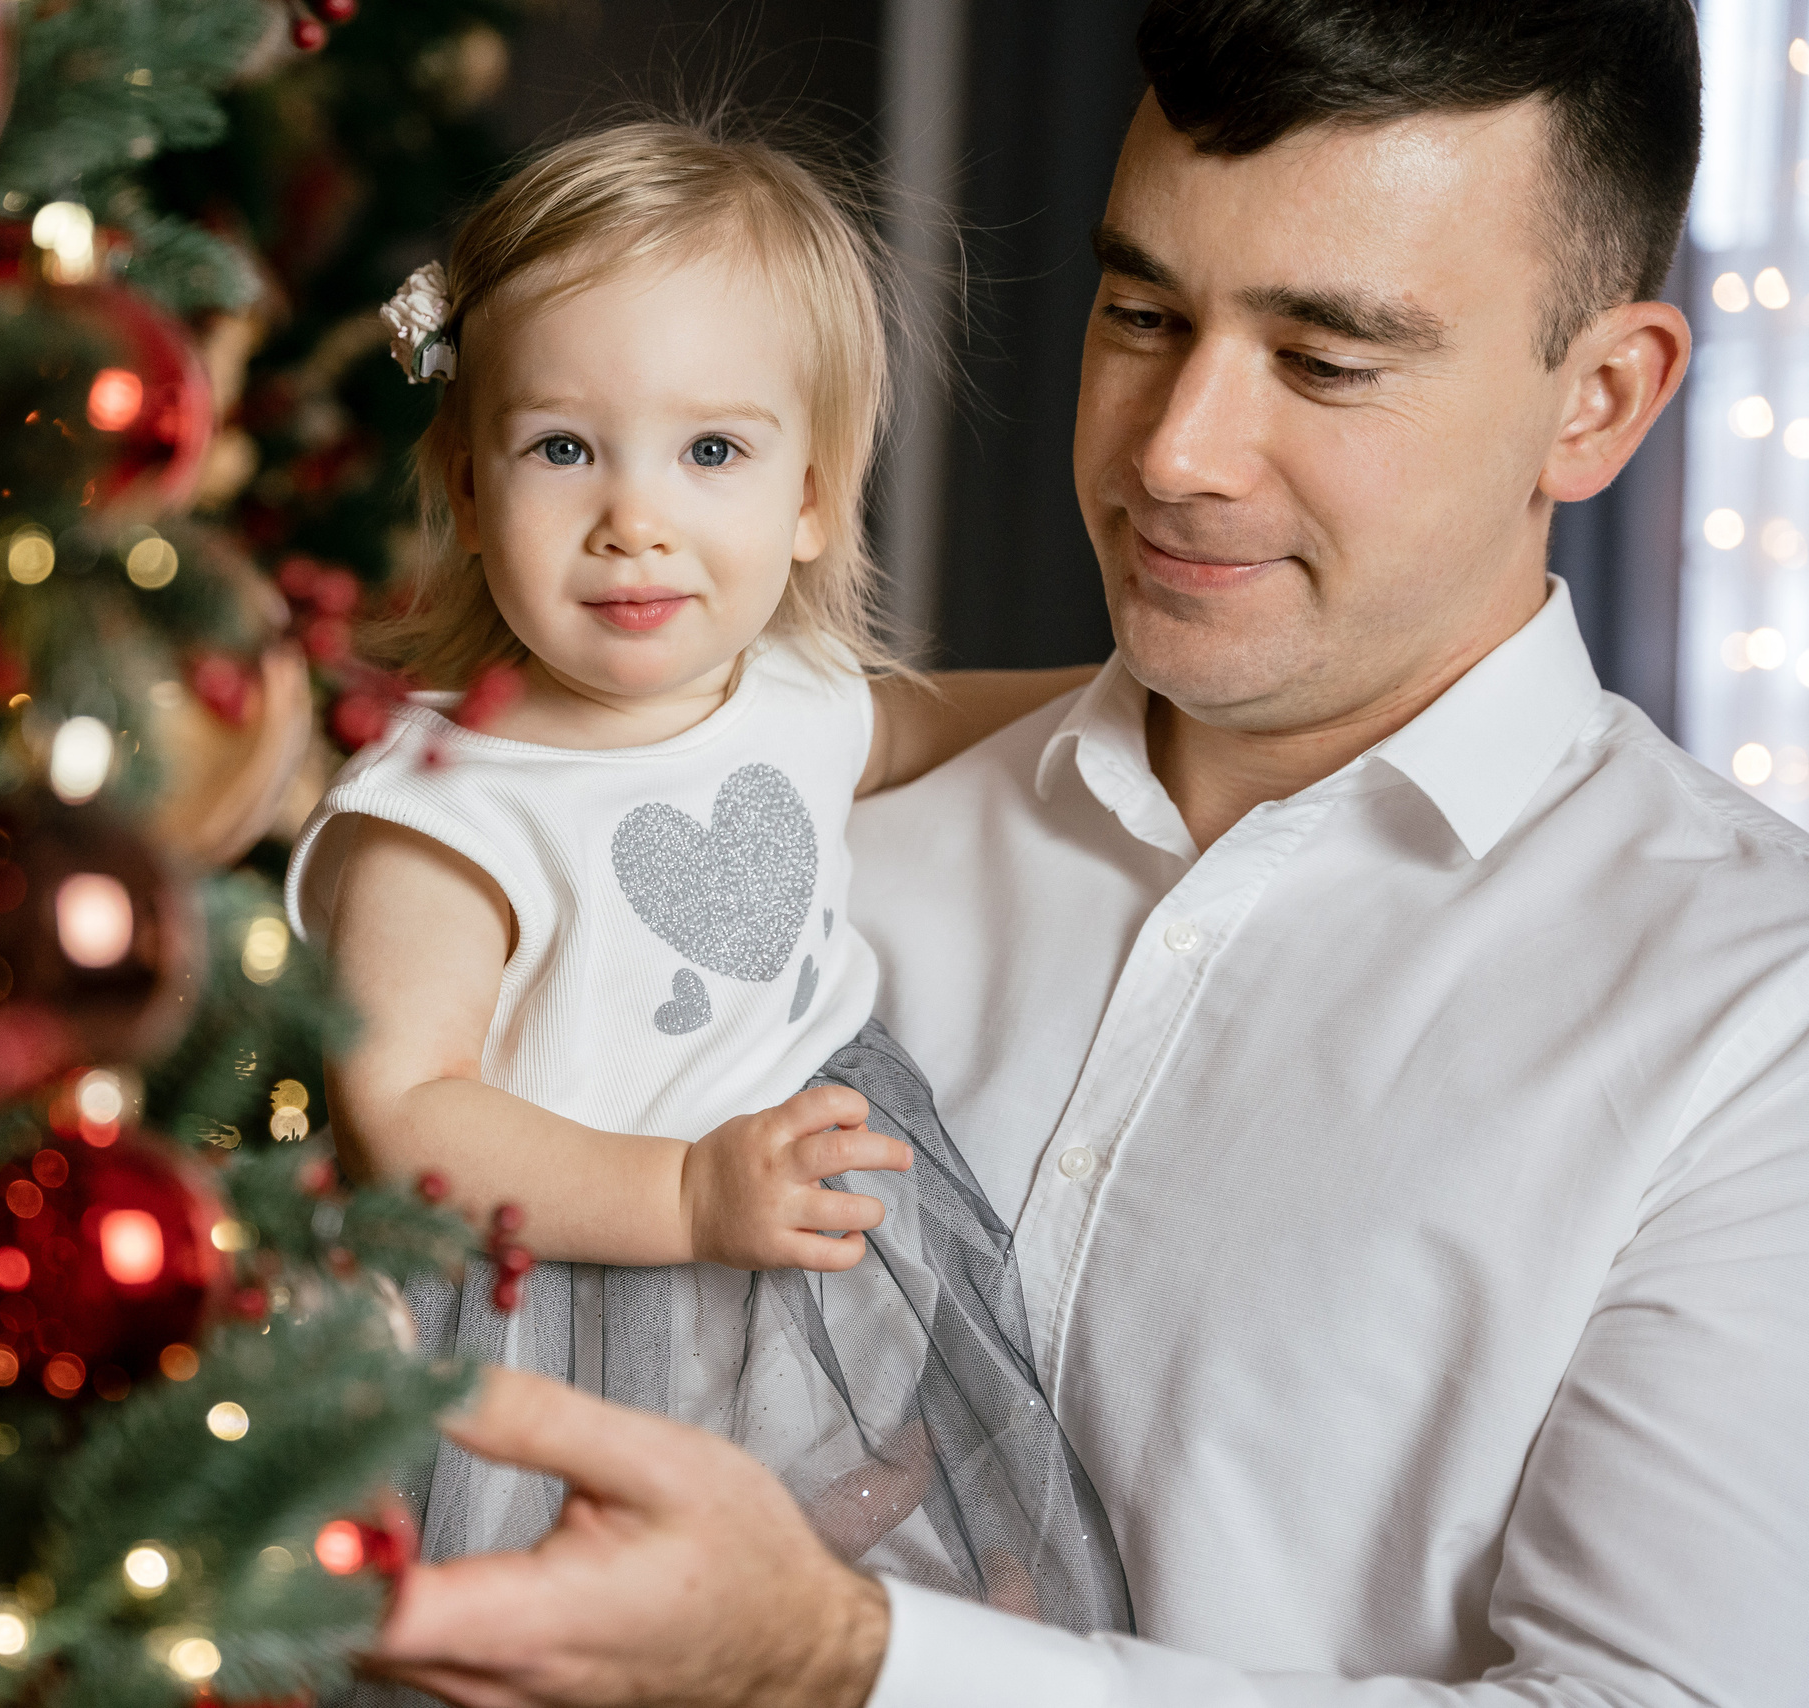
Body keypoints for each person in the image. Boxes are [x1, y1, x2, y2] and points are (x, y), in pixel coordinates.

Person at [360, 1, 1809, 1703]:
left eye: (1326, 361)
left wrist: (839, 1661)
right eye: (1142, 314)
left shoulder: (1753, 1024)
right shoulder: (773, 823)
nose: (1175, 452)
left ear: (1602, 401)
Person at [283, 120, 1123, 1633]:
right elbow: (401, 1113)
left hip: (796, 1255)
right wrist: (677, 1193)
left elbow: (908, 722)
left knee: (833, 1589)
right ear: (467, 488)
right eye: (562, 449)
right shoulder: (450, 808)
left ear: (812, 498)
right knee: (584, 1624)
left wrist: (1122, 694)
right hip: (561, 1287)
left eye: (712, 452)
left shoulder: (793, 692)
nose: (636, 519)